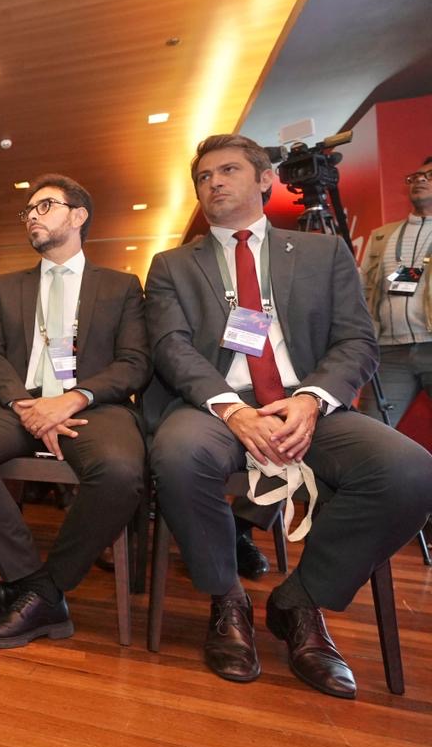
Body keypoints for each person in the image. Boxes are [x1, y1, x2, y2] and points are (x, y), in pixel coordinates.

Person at [145, 133, 432, 698]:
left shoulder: (323, 253)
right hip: (214, 405)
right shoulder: (172, 265)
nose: (213, 182)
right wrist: (231, 409)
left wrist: (311, 399)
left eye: (228, 170)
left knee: (410, 470)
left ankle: (300, 601)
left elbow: (356, 341)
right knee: (178, 454)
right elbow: (171, 347)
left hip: (308, 403)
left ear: (264, 179)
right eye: (203, 177)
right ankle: (226, 599)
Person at [0, 175, 150, 649]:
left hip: (91, 405)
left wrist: (73, 398)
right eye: (28, 210)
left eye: (45, 205)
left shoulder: (120, 286)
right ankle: (33, 583)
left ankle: (47, 588)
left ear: (79, 216)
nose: (32, 215)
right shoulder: (6, 286)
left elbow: (134, 363)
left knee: (119, 471)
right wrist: (23, 404)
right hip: (19, 403)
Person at [357, 155, 431, 425]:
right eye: (415, 177)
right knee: (372, 430)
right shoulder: (382, 235)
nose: (420, 180)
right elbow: (363, 287)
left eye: (429, 176)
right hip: (388, 351)